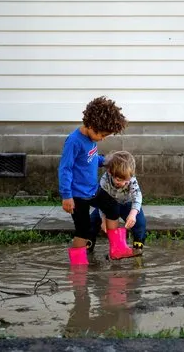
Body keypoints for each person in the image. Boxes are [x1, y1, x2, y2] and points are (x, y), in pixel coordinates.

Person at [58, 96, 138, 264]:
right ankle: (78, 264)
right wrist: (66, 196)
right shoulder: (74, 141)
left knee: (113, 207)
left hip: (93, 190)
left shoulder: (91, 139)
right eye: (101, 134)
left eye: (105, 136)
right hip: (78, 195)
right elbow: (65, 169)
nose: (102, 139)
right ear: (90, 124)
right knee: (83, 229)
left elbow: (91, 159)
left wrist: (107, 161)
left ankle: (117, 249)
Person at [89, 151, 147, 257]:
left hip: (127, 204)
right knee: (92, 222)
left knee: (140, 224)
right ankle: (88, 248)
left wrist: (133, 214)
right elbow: (101, 201)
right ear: (110, 172)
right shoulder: (105, 180)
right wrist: (103, 219)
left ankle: (137, 249)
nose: (123, 183)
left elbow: (137, 197)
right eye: (119, 180)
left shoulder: (131, 179)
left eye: (126, 181)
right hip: (108, 206)